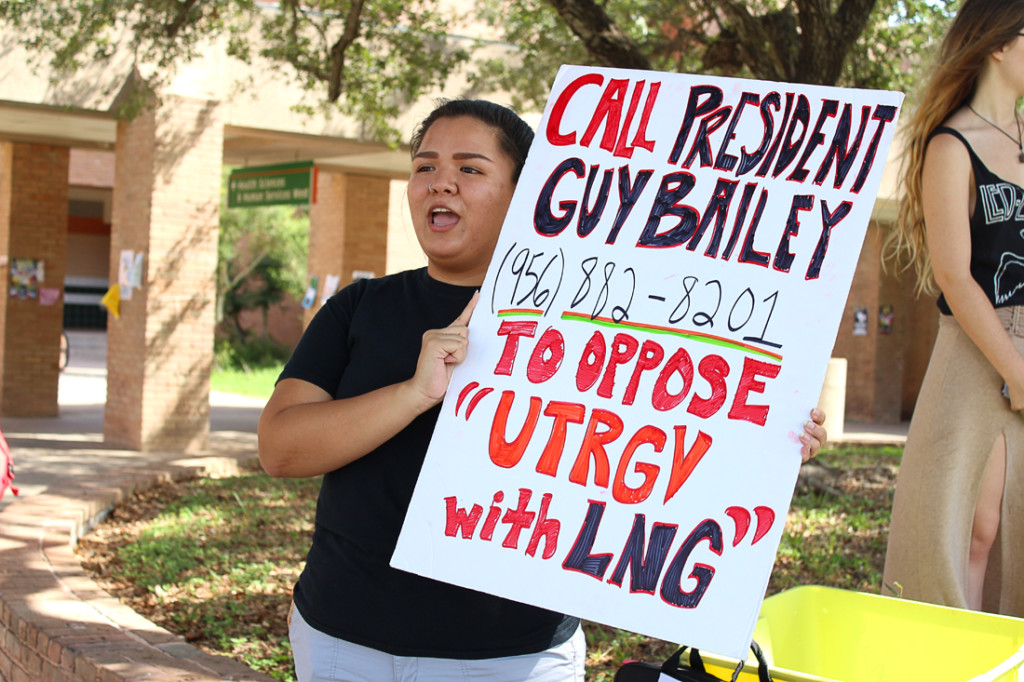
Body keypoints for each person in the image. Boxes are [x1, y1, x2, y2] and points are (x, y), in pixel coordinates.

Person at [258, 98, 829, 682]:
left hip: (512, 656)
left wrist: (769, 438)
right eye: (425, 166)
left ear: (524, 193)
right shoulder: (357, 308)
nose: (441, 184)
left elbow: (668, 447)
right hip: (340, 641)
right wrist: (412, 393)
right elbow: (280, 449)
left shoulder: (595, 322)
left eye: (470, 169)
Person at [883, 0, 1024, 617]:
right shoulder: (951, 144)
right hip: (976, 346)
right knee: (973, 528)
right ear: (999, 43)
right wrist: (1017, 371)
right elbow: (954, 276)